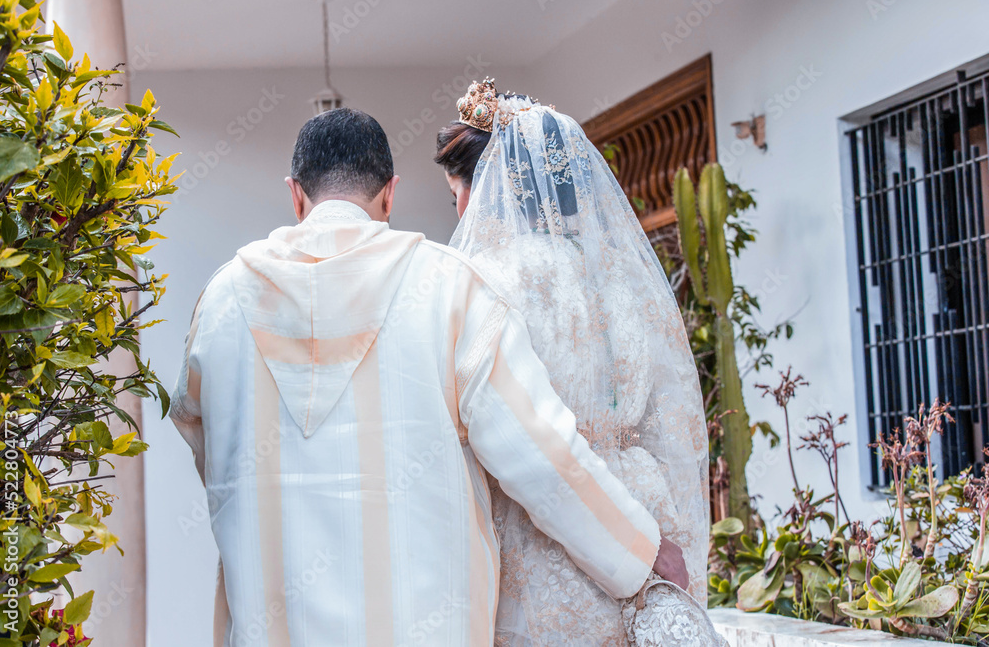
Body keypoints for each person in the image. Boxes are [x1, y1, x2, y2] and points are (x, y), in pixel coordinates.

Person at [169, 108, 680, 646]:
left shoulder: (222, 299)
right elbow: (539, 452)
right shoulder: (449, 288)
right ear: (390, 195)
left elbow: (204, 439)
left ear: (296, 195)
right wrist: (637, 551)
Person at [435, 80, 721, 646]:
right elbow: (671, 418)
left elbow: (508, 441)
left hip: (541, 529)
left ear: (488, 187)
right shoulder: (621, 274)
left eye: (456, 195)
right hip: (645, 505)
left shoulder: (483, 281)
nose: (461, 211)